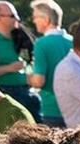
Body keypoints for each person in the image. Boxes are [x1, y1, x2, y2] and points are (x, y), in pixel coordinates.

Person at [0, 1, 42, 122]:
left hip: (28, 91)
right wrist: (9, 68)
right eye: (12, 16)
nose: (18, 19)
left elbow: (28, 61)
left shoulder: (20, 37)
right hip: (5, 93)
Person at [28, 0, 71, 128]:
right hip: (74, 108)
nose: (33, 21)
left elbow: (39, 81)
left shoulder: (41, 43)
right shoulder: (73, 41)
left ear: (46, 20)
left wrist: (26, 77)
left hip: (52, 109)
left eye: (35, 17)